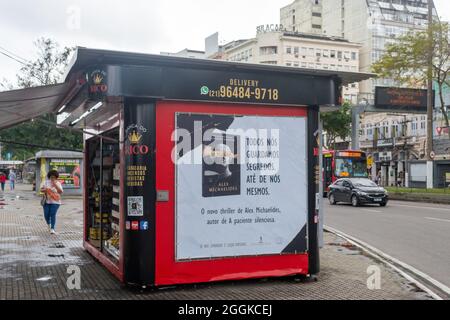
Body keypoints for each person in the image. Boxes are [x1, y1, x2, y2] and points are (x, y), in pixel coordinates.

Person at [40, 170, 63, 235]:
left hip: (55, 202)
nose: (52, 178)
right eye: (51, 177)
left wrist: (55, 185)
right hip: (46, 201)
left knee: (52, 214)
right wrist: (46, 190)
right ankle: (48, 224)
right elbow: (41, 190)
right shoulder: (46, 182)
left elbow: (60, 192)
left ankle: (52, 228)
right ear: (49, 177)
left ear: (56, 177)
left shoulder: (58, 183)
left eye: (54, 177)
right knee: (46, 215)